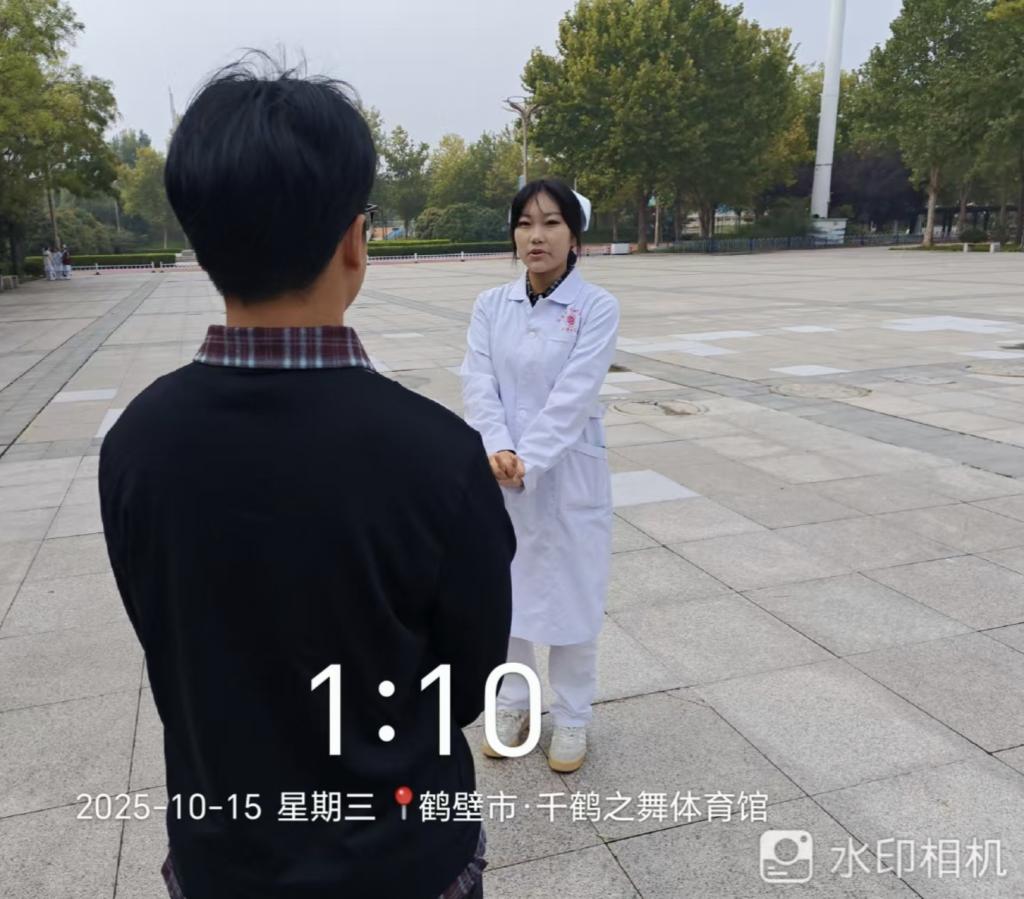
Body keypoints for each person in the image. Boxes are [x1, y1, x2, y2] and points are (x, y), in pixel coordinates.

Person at [99, 56, 514, 899]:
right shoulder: (439, 457)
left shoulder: (136, 443)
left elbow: (165, 635)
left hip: (226, 860)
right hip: (402, 861)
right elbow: (469, 682)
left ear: (201, 245)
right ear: (355, 242)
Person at [459, 179, 620, 773]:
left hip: (568, 471)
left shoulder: (596, 308)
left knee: (575, 598)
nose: (536, 236)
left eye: (551, 223)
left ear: (574, 236)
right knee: (507, 597)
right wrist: (497, 446)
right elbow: (478, 379)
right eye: (525, 223)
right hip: (500, 471)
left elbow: (575, 393)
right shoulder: (490, 305)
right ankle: (512, 704)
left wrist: (528, 458)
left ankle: (573, 716)